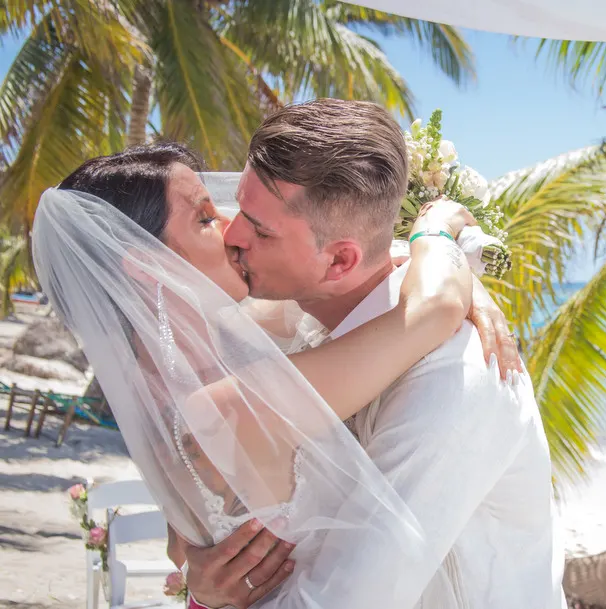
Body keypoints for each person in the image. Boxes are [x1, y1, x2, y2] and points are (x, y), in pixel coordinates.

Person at [32, 137, 535, 608]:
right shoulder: (219, 405)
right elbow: (431, 309)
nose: (233, 227)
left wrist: (464, 276)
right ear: (147, 266)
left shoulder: (218, 349)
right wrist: (437, 229)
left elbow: (353, 276)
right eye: (205, 218)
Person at [178, 99, 566, 609]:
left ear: (341, 260)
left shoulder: (452, 383)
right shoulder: (308, 319)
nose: (232, 234)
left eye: (259, 227)